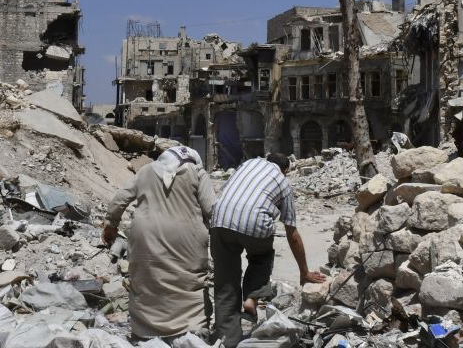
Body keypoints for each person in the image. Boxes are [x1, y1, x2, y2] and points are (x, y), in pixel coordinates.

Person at [210, 153, 325, 348]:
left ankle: (227, 340)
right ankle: (252, 297)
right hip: (254, 224)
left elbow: (225, 191)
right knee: (261, 257)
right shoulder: (282, 182)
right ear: (285, 170)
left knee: (225, 282)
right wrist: (304, 272)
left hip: (220, 219)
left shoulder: (248, 164)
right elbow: (292, 233)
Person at [102, 146, 216, 340]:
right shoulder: (197, 172)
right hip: (187, 236)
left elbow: (120, 198)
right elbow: (212, 209)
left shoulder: (145, 170)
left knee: (146, 278)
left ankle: (146, 331)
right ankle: (192, 328)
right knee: (188, 280)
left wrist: (111, 225)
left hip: (145, 234)